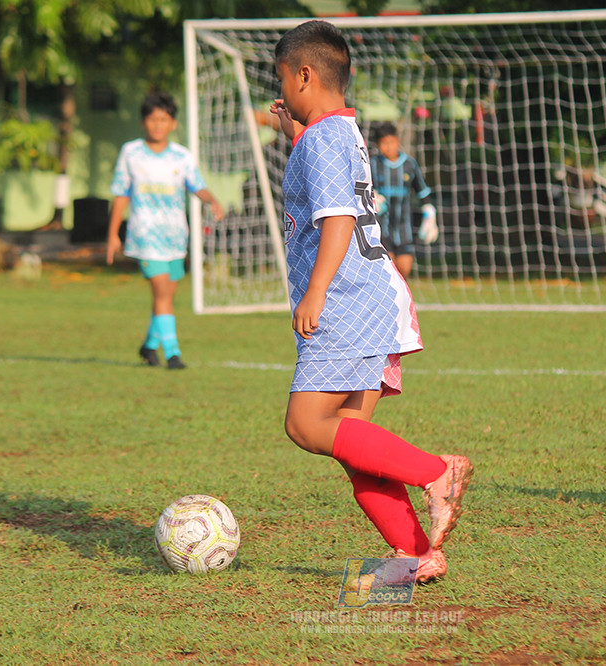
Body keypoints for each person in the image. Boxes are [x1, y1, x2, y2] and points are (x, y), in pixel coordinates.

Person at [269, 20, 473, 583]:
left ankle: (436, 471)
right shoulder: (340, 130)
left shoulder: (323, 139)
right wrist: (295, 134)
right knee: (354, 444)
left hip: (347, 302)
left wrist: (315, 292)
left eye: (282, 80)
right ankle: (416, 553)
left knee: (305, 424)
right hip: (369, 299)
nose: (281, 92)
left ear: (304, 75)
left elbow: (337, 218)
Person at [106, 92, 224, 370]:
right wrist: (113, 233)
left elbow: (197, 186)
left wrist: (212, 200)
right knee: (161, 294)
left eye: (163, 119)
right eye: (152, 119)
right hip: (145, 236)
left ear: (172, 123)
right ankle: (173, 353)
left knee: (166, 297)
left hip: (175, 236)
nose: (157, 125)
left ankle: (149, 346)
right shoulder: (131, 153)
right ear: (143, 122)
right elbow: (121, 194)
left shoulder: (181, 156)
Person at [369, 122, 437, 280]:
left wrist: (430, 213)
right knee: (388, 271)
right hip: (382, 227)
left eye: (391, 142)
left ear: (398, 141)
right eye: (384, 143)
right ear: (378, 145)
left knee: (404, 268)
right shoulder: (373, 164)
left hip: (404, 227)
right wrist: (373, 197)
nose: (388, 147)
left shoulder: (409, 164)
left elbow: (422, 191)